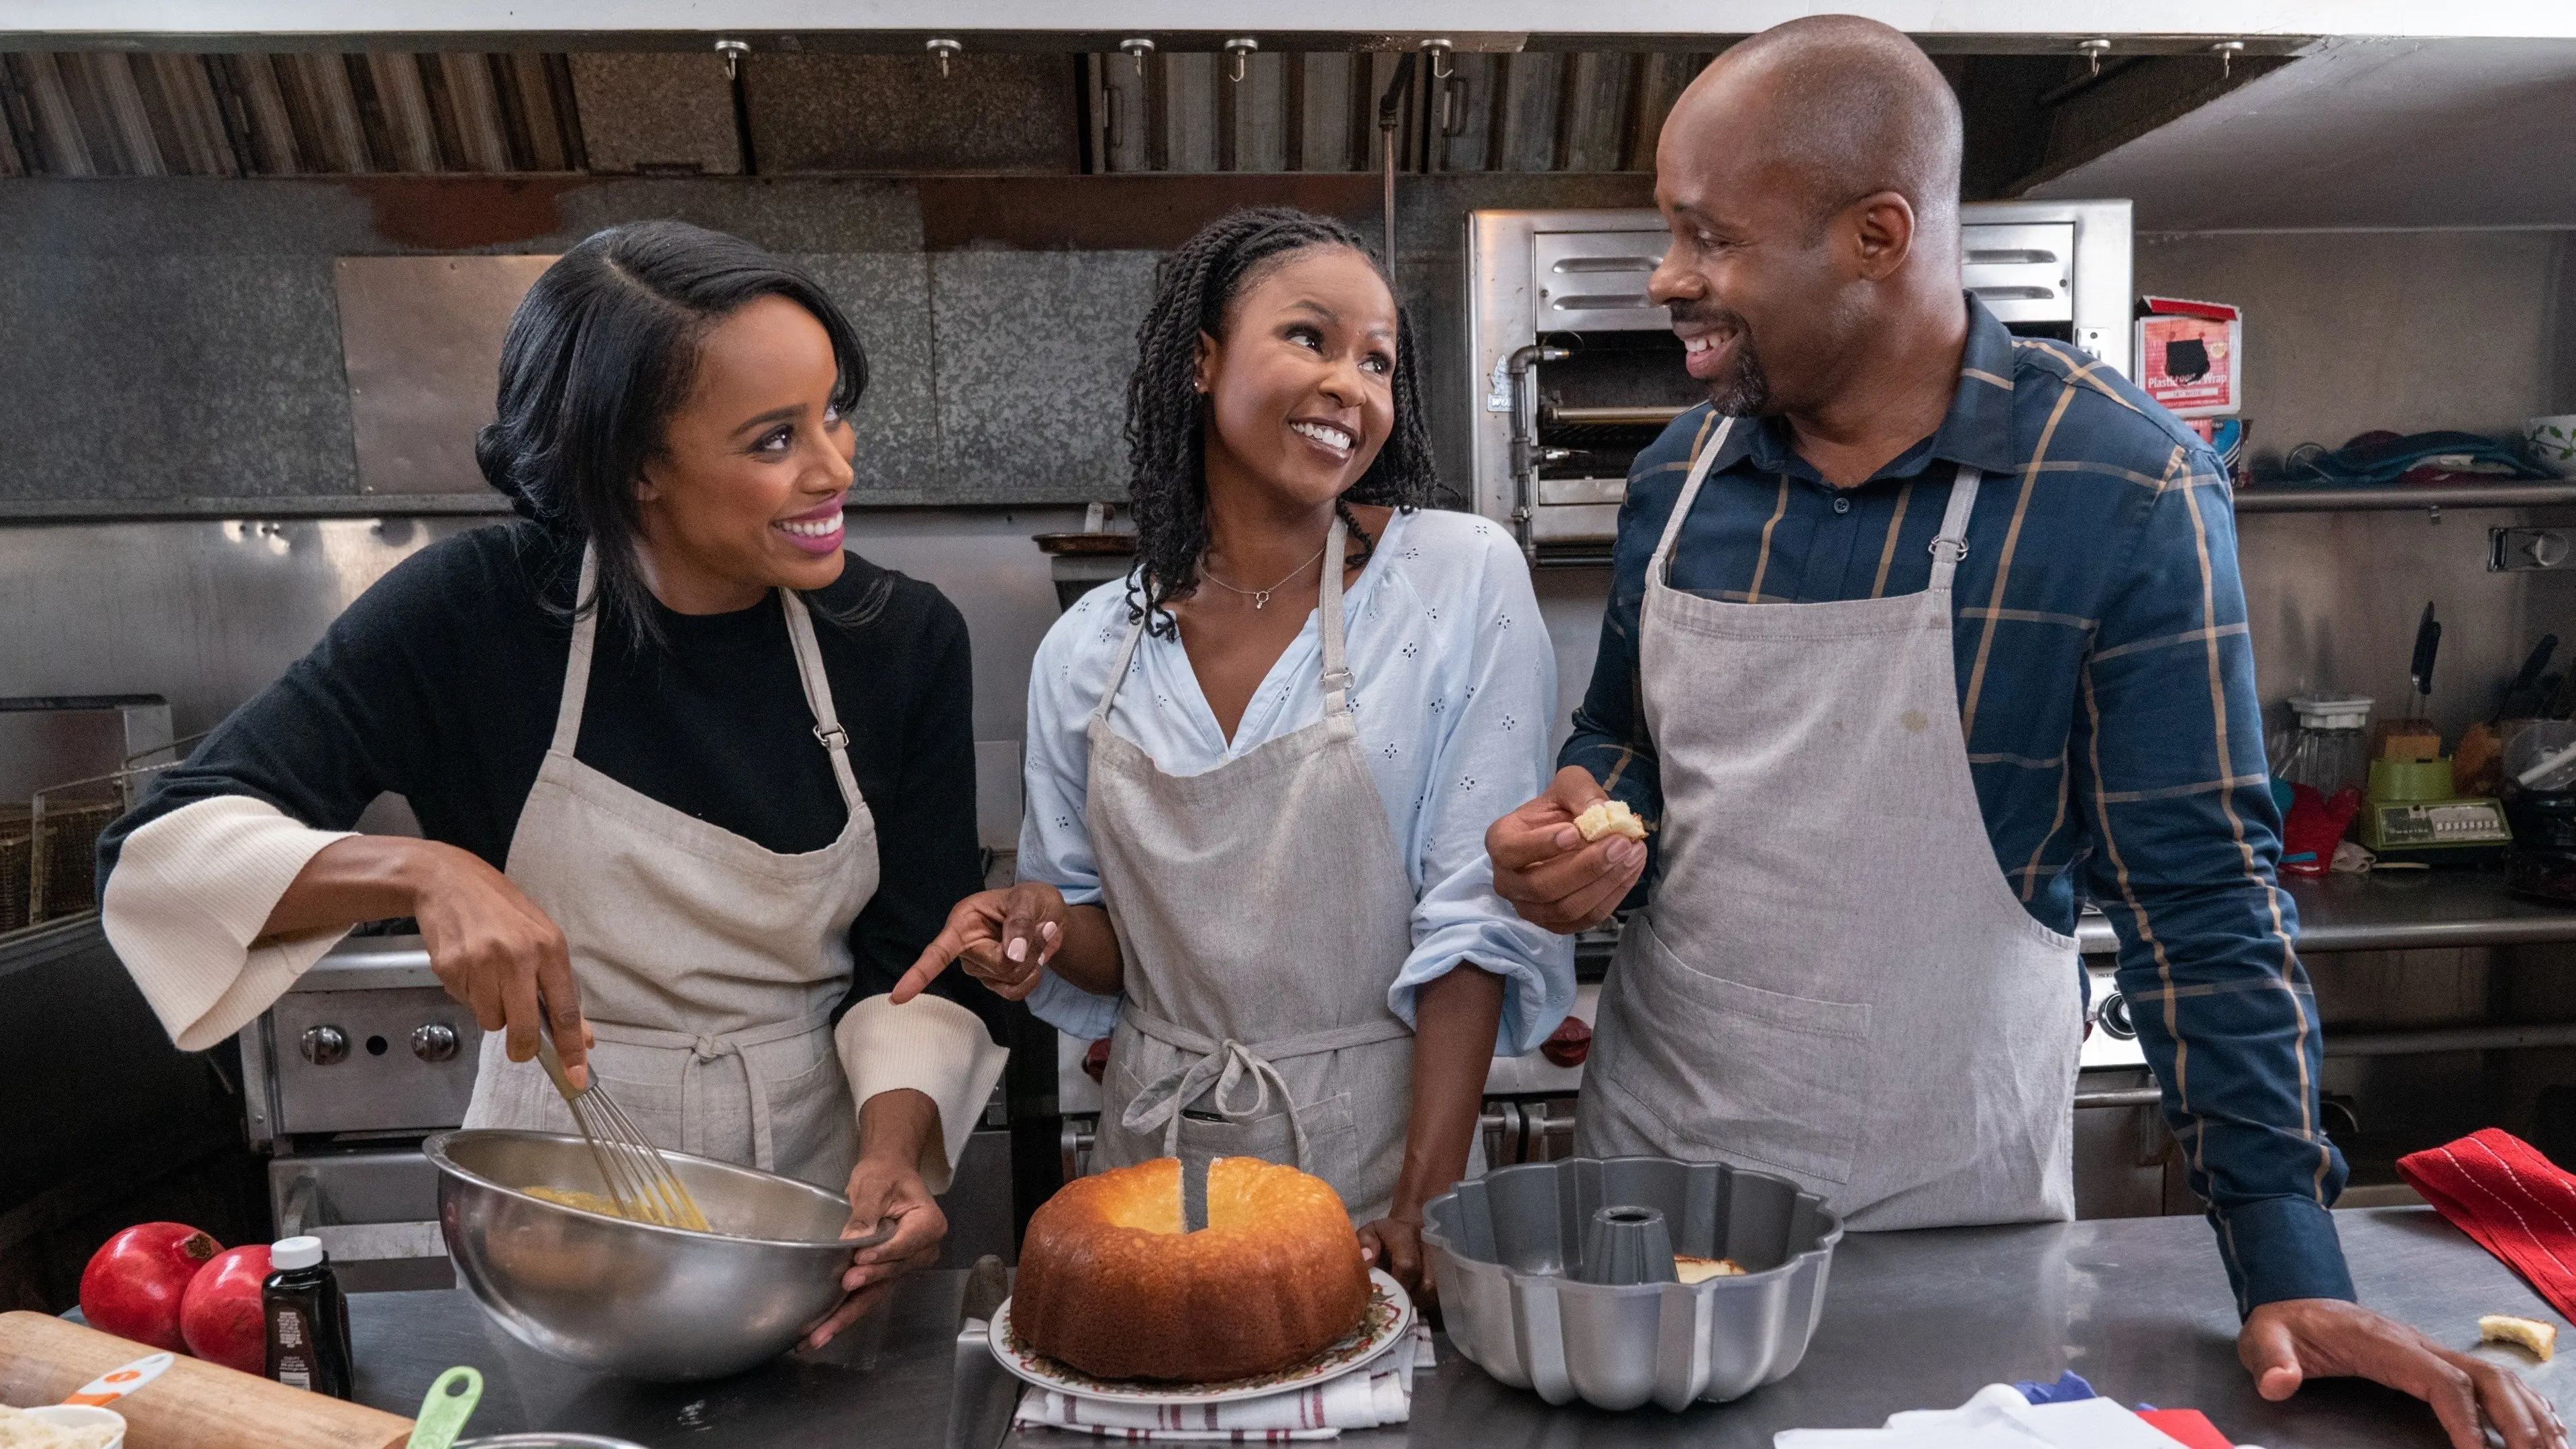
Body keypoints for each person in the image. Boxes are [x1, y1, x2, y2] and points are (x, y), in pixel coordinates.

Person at [1484, 19, 2561, 1449]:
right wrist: (1587, 808)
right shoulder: (1688, 472)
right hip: (1657, 1215)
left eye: (1706, 236)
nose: (1667, 276)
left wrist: (2291, 1263)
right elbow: (1625, 732)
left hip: (1947, 1224)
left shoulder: (2119, 492)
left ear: (1877, 235)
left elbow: (2203, 906)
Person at [95, 221, 1005, 1349]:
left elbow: (912, 958)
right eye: (775, 440)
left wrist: (893, 1157)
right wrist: (423, 870)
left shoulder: (899, 639)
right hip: (560, 1226)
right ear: (635, 466)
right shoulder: (478, 614)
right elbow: (161, 851)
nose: (836, 466)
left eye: (833, 411)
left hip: (812, 1224)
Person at [895, 207, 1572, 1296]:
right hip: (1151, 1176)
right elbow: (1116, 950)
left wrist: (1425, 1206)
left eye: (1379, 361)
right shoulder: (1090, 649)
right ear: (1202, 361)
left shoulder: (1458, 579)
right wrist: (1039, 928)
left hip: (1380, 1179)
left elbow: (1475, 917)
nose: (1352, 383)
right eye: (1310, 337)